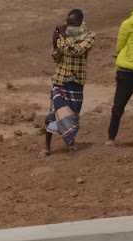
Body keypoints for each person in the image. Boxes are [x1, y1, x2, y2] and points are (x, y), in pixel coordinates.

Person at [39, 9, 95, 158]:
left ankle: (71, 143)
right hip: (59, 80)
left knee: (72, 114)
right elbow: (56, 59)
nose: (69, 26)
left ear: (80, 21)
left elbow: (78, 51)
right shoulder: (65, 36)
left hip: (75, 82)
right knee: (53, 112)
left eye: (72, 23)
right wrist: (54, 42)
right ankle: (46, 146)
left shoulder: (89, 36)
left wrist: (63, 36)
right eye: (67, 23)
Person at [106, 3, 133, 146]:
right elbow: (120, 46)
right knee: (118, 108)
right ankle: (111, 138)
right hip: (127, 73)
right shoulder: (128, 24)